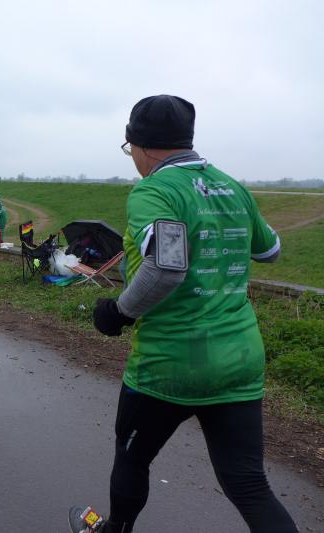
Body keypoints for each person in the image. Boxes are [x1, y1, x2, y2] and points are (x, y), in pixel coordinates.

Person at [68, 95, 295, 533]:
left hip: (170, 363)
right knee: (249, 485)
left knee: (132, 458)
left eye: (129, 148)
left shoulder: (154, 191)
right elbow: (270, 251)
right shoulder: (232, 187)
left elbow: (166, 266)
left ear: (142, 146)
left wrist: (119, 312)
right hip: (239, 360)